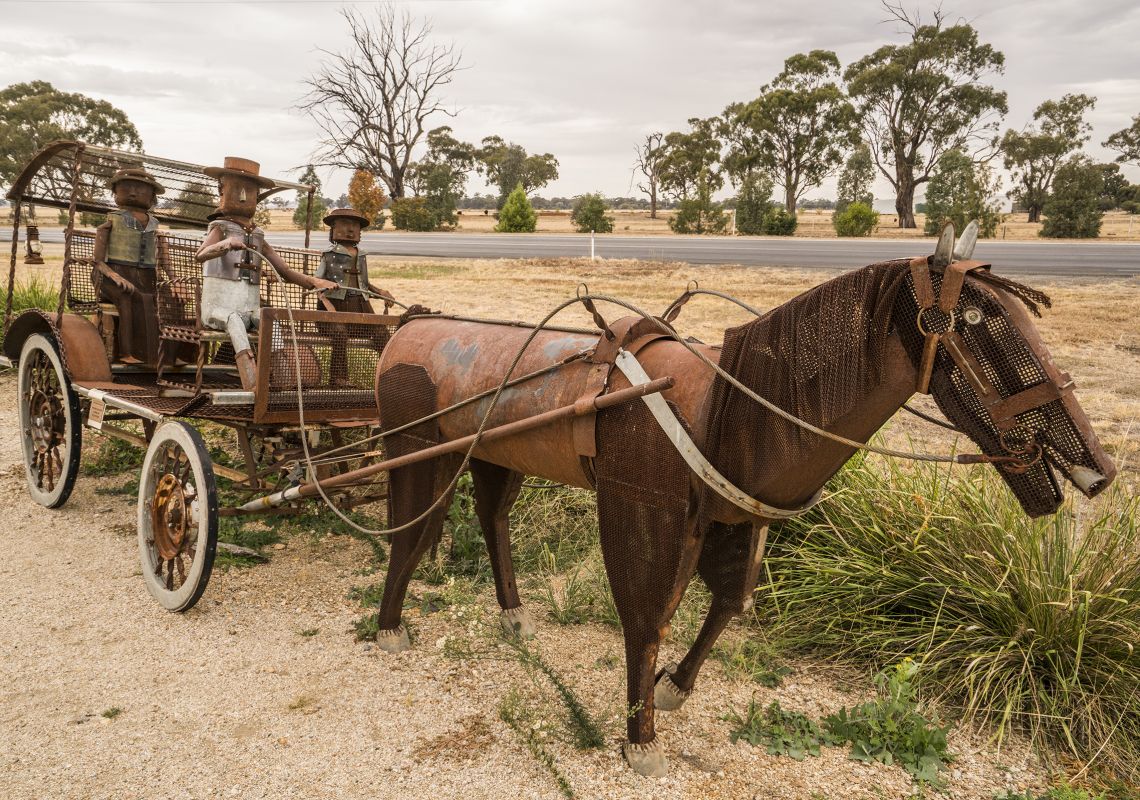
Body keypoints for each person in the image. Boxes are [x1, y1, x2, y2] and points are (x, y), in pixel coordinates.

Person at [194, 157, 335, 390]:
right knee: (235, 321)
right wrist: (225, 244)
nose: (242, 196)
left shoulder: (257, 235)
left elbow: (285, 270)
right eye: (236, 190)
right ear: (222, 191)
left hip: (248, 307)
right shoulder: (221, 227)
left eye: (249, 191)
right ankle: (251, 381)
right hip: (218, 308)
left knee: (269, 320)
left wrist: (313, 281)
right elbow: (200, 255)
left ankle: (284, 380)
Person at [92, 167, 169, 364]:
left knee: (168, 300)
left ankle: (167, 353)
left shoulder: (154, 225)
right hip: (112, 275)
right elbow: (98, 261)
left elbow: (165, 260)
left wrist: (174, 280)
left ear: (151, 196)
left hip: (145, 277)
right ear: (116, 192)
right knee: (127, 299)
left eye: (140, 190)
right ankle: (127, 352)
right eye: (127, 188)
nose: (133, 193)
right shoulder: (112, 221)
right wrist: (115, 276)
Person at [317, 208, 394, 313]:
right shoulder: (329, 254)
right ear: (333, 227)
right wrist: (324, 299)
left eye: (355, 225)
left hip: (361, 302)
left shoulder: (361, 254)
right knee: (337, 329)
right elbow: (317, 280)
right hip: (336, 301)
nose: (351, 229)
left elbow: (364, 283)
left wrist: (381, 292)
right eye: (345, 223)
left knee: (377, 329)